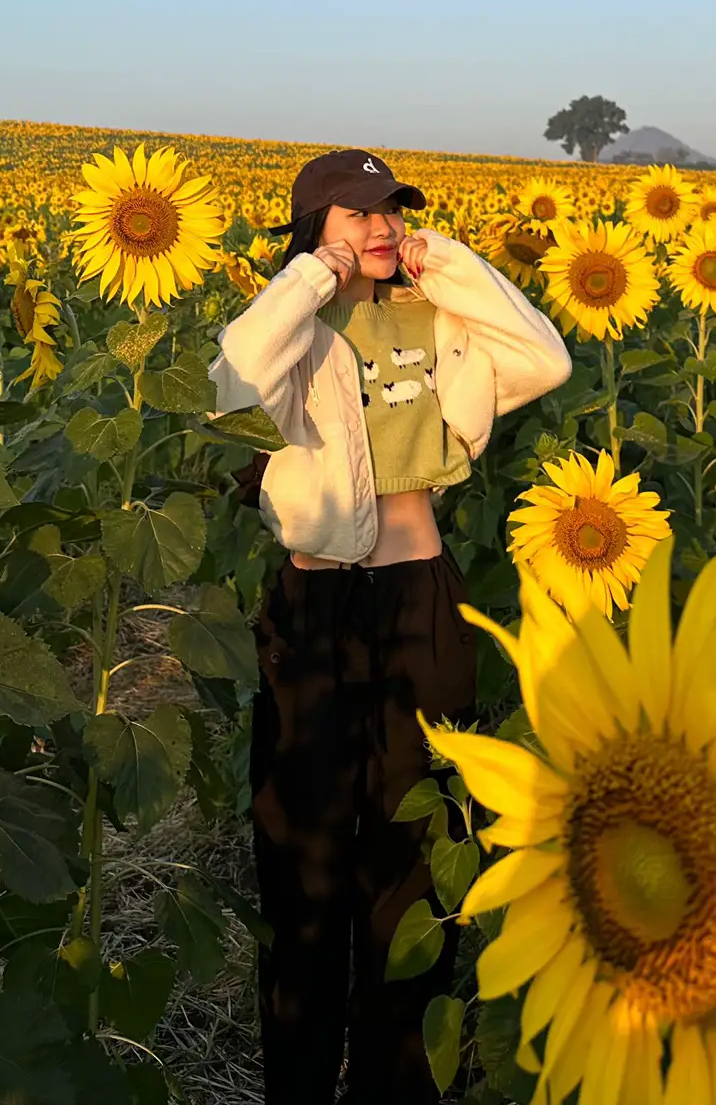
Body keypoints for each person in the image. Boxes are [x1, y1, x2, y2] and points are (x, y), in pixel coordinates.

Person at [212, 148, 572, 1104]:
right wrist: (311, 274)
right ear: (316, 226)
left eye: (391, 211)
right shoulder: (295, 331)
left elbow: (545, 358)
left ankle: (395, 1086)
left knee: (411, 860)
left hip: (419, 595)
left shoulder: (441, 319)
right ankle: (297, 1082)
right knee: (304, 855)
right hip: (316, 612)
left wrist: (446, 263)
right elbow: (237, 374)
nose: (379, 227)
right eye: (357, 214)